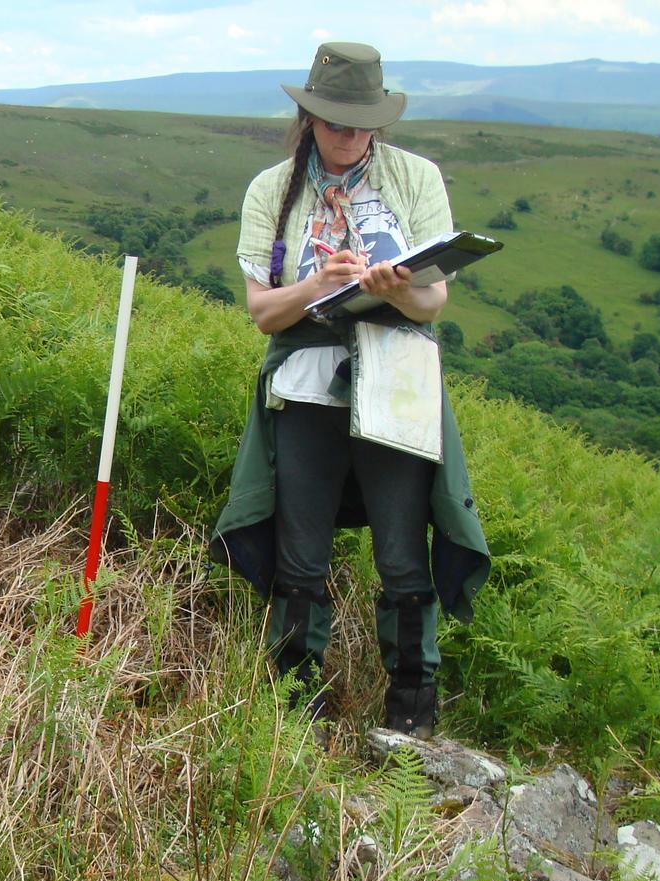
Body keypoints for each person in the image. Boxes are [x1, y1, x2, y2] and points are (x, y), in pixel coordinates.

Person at [209, 42, 490, 739]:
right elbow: (263, 314)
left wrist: (402, 287)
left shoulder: (415, 178)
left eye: (363, 123)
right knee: (301, 556)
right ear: (309, 117)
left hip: (397, 387)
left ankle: (411, 723)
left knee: (402, 555)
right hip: (306, 388)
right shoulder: (272, 191)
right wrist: (317, 286)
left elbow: (434, 304)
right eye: (337, 122)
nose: (351, 136)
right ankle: (292, 719)